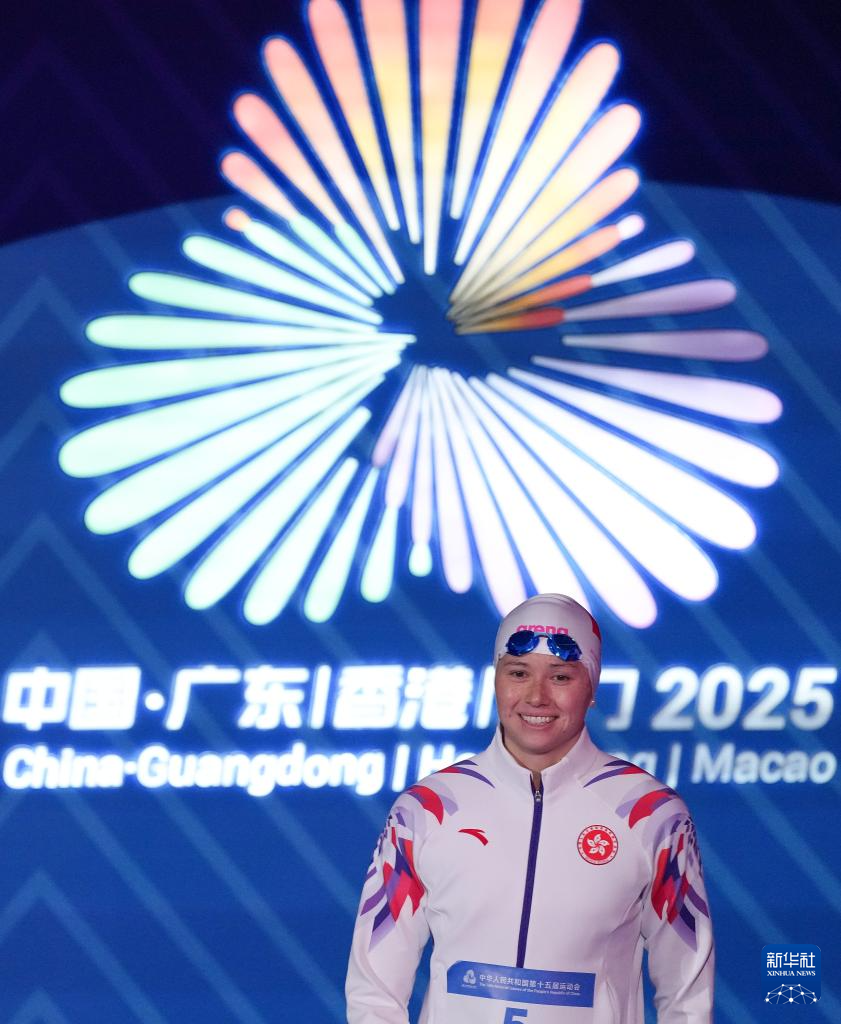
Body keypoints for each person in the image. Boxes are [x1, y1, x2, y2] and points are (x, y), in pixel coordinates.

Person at [346, 594, 714, 1023]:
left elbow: (687, 995)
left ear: (592, 688)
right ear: (496, 680)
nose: (537, 697)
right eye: (518, 673)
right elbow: (375, 989)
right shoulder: (427, 810)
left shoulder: (650, 814)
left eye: (561, 676)